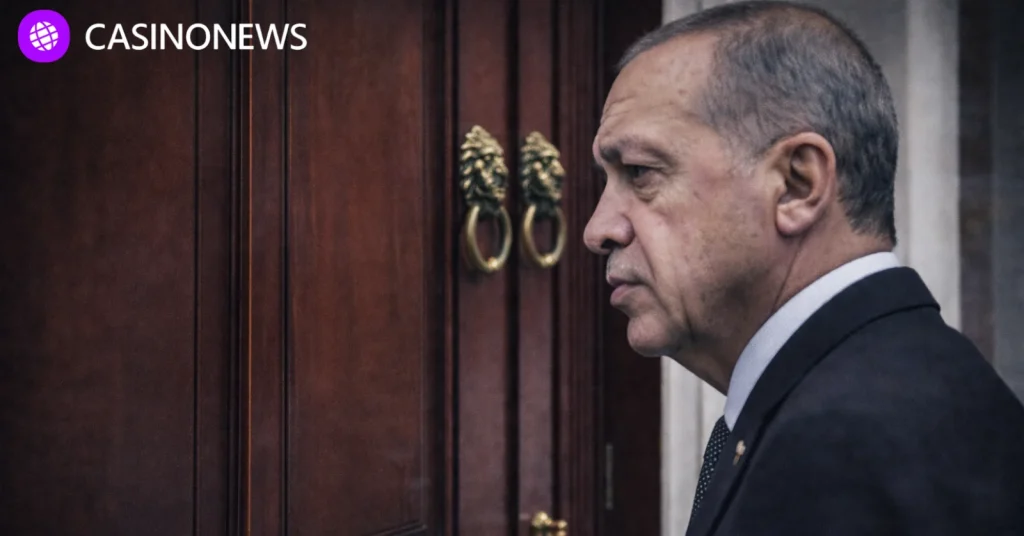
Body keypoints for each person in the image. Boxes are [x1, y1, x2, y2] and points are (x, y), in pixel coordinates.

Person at [584, 1, 1024, 535]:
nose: (599, 229)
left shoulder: (838, 440)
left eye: (640, 172)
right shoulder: (905, 381)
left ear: (798, 185)